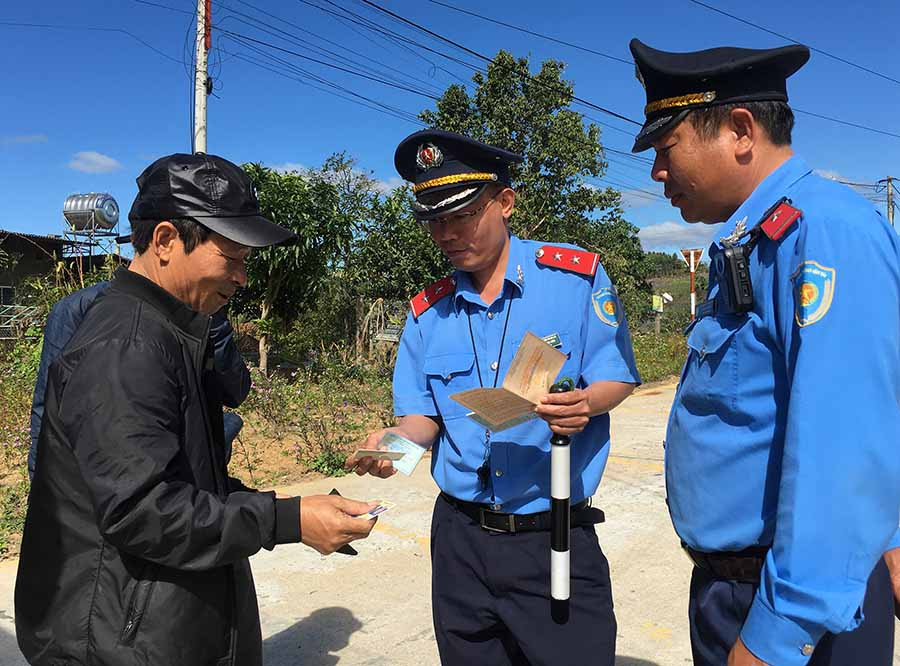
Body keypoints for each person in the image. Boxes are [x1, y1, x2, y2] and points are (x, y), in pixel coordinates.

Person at [15, 153, 378, 666]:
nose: (243, 277)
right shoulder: (127, 345)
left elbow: (185, 481)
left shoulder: (171, 329)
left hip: (157, 620)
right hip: (120, 636)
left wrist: (292, 511)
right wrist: (284, 521)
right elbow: (144, 510)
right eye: (232, 256)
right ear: (165, 241)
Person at [628, 38, 900, 665]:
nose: (657, 173)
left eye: (666, 149)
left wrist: (777, 637)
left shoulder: (822, 232)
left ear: (741, 130)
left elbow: (844, 449)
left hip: (796, 611)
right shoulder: (750, 243)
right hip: (737, 589)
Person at [350, 130, 641, 665]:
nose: (447, 233)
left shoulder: (574, 280)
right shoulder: (426, 314)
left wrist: (586, 403)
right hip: (461, 542)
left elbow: (616, 375)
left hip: (552, 529)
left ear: (505, 202)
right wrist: (390, 446)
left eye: (461, 215)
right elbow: (422, 420)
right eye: (434, 220)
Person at [28, 279, 249, 480]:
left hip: (178, 483)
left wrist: (213, 324)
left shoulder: (200, 310)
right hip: (122, 482)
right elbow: (49, 403)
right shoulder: (79, 309)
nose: (240, 277)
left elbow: (235, 390)